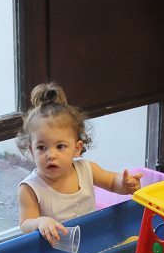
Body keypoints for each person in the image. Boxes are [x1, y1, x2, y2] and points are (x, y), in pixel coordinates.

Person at [16, 82, 143, 244]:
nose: (51, 155)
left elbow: (112, 182)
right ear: (32, 151)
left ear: (77, 148)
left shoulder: (86, 169)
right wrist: (41, 222)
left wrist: (125, 185)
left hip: (92, 239)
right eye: (41, 147)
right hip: (55, 248)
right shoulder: (30, 188)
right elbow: (25, 223)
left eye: (60, 146)